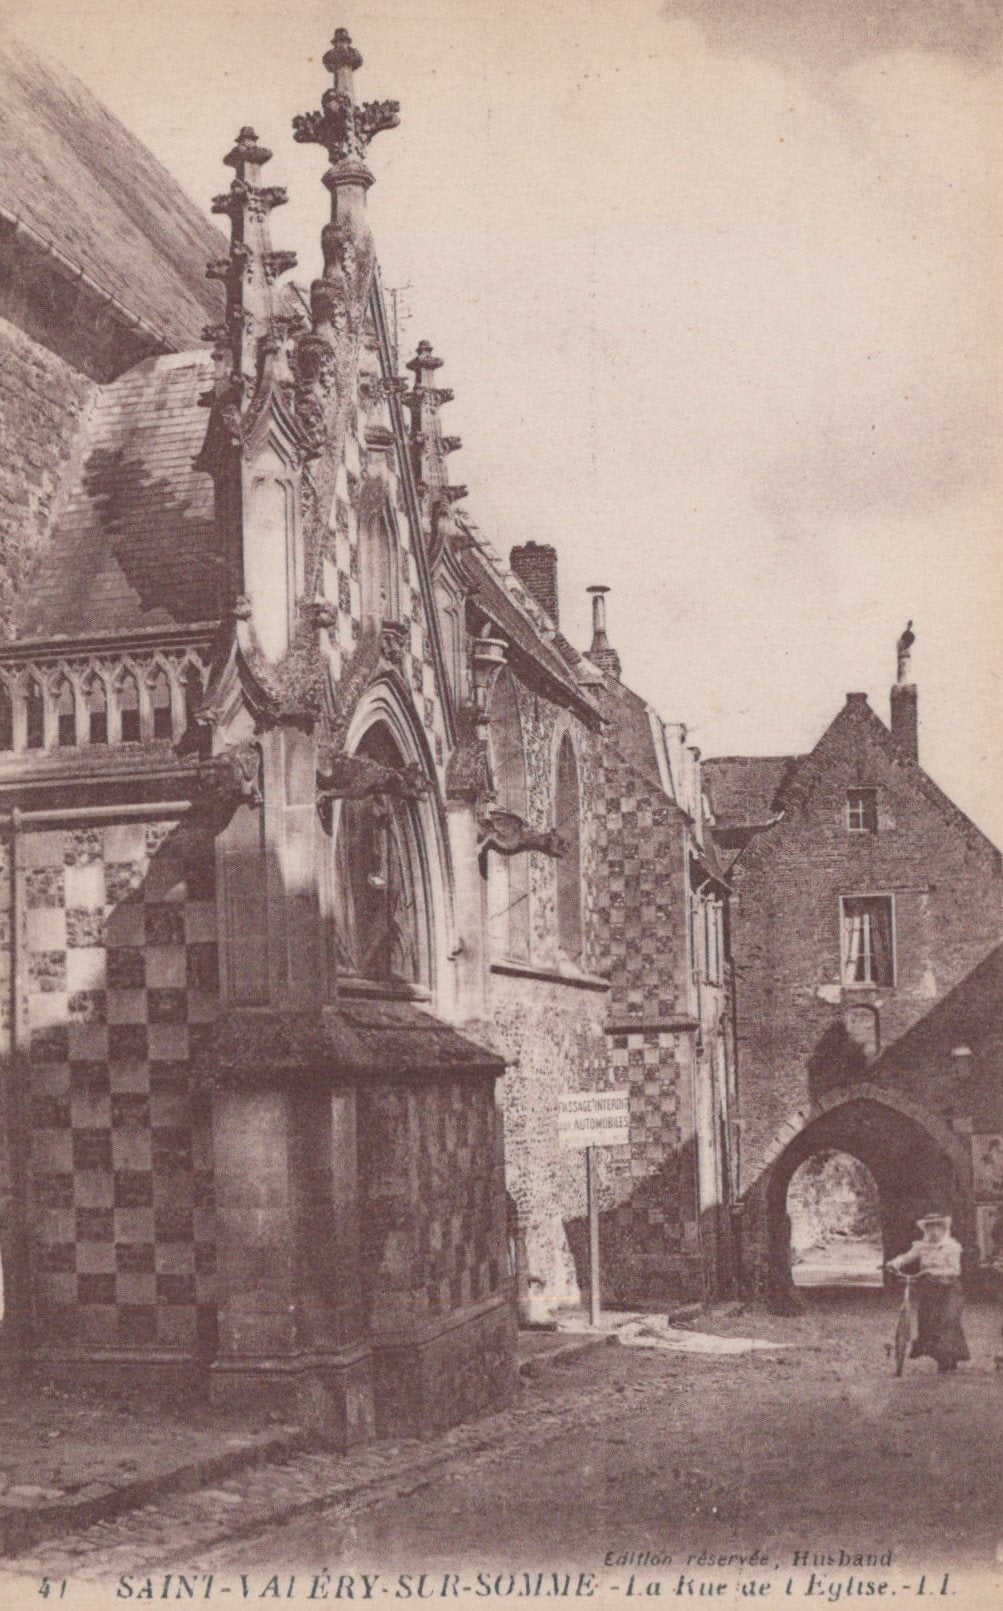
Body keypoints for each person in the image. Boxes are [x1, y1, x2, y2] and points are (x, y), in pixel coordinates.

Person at [886, 1214, 969, 1373]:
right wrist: (894, 1263)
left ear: (943, 1229)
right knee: (927, 1321)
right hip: (930, 1289)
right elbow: (907, 1257)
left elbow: (955, 1270)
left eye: (937, 1227)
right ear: (926, 1230)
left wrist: (934, 1271)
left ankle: (949, 1358)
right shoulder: (921, 1246)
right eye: (930, 1227)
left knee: (948, 1319)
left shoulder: (952, 1247)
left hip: (950, 1289)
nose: (934, 1231)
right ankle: (941, 1357)